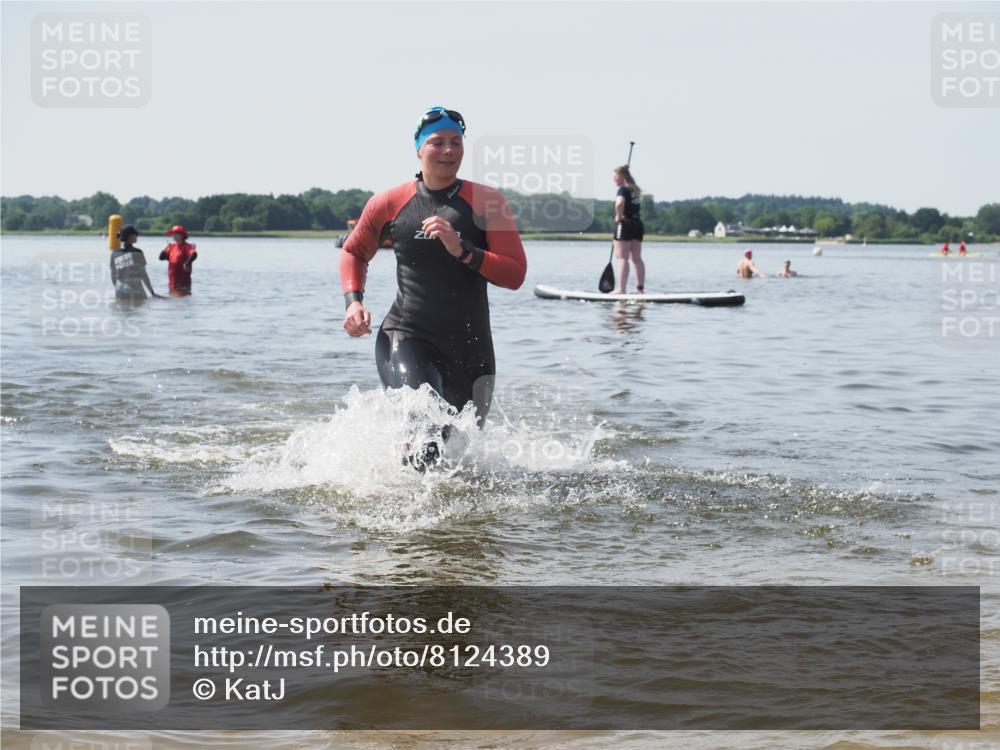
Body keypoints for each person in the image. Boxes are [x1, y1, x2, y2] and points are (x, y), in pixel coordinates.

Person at [340, 106, 527, 468]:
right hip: (408, 338)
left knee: (457, 454)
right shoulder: (389, 202)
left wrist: (465, 251)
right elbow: (353, 253)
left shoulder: (488, 202)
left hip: (472, 349)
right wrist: (353, 302)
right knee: (426, 429)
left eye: (456, 142)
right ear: (418, 149)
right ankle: (412, 521)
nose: (448, 151)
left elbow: (515, 274)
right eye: (437, 142)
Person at [612, 165, 645, 293]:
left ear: (621, 176)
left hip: (625, 224)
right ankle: (640, 289)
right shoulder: (635, 190)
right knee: (637, 258)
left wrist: (618, 216)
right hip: (637, 224)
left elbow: (620, 203)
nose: (613, 180)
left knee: (622, 258)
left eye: (614, 177)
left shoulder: (622, 190)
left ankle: (621, 289)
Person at [110, 225, 163, 300]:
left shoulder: (114, 253)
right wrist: (152, 292)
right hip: (137, 292)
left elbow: (113, 277)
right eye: (135, 234)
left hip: (120, 293)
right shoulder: (137, 252)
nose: (137, 236)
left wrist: (123, 289)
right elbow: (143, 274)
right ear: (130, 236)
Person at [159, 224, 198, 296]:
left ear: (182, 235)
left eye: (177, 234)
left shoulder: (187, 246)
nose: (174, 236)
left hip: (183, 284)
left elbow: (194, 254)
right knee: (173, 304)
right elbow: (161, 257)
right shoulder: (172, 247)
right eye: (173, 234)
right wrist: (166, 248)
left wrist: (187, 263)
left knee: (182, 302)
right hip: (172, 283)